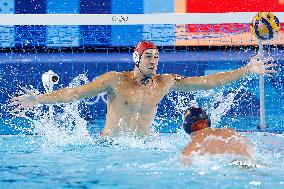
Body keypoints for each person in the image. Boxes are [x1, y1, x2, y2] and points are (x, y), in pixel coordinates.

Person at [9, 41, 276, 139]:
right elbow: (76, 93)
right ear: (137, 59)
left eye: (157, 57)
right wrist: (38, 99)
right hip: (109, 148)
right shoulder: (116, 80)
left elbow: (208, 82)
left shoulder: (165, 81)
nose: (154, 62)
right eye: (149, 57)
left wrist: (246, 70)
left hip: (144, 148)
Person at [181, 106, 254, 159]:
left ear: (187, 127)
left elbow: (184, 163)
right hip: (250, 159)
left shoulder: (196, 141)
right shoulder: (228, 131)